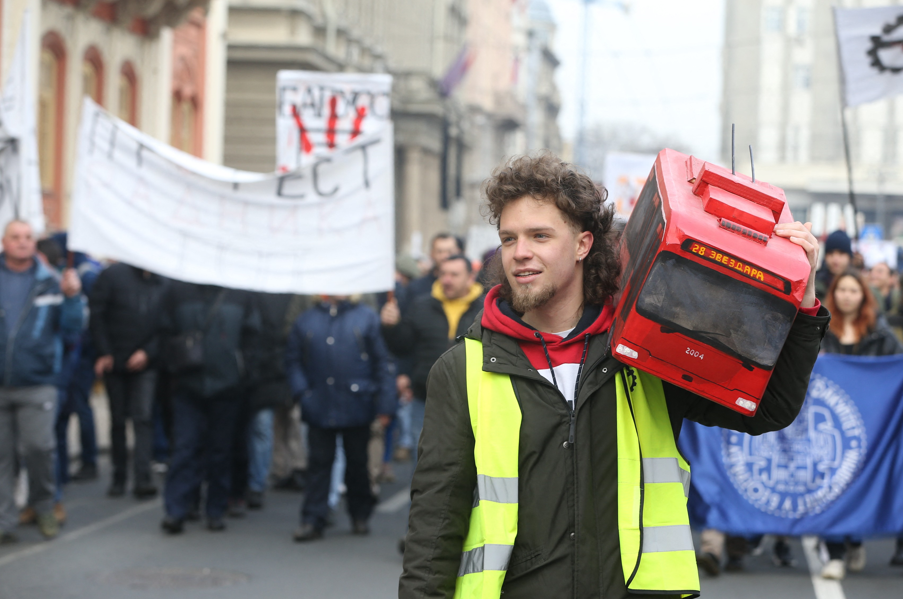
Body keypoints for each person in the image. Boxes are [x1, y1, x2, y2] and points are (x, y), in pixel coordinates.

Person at [398, 154, 828, 599]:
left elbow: (767, 411)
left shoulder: (644, 350)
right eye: (509, 239)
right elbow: (435, 525)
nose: (520, 252)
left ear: (583, 244)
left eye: (539, 236)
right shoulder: (462, 369)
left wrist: (805, 306)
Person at [0, 220, 85, 544]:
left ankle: (44, 506)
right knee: (3, 456)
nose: (22, 243)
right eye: (15, 238)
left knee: (39, 448)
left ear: (34, 244)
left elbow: (73, 328)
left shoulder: (51, 281)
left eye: (27, 238)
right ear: (4, 242)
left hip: (37, 381)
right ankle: (5, 520)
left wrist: (73, 298)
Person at [286, 295, 396, 541]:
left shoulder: (365, 317)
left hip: (357, 402)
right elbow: (293, 360)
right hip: (319, 402)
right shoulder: (307, 319)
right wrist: (303, 393)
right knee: (318, 463)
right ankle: (313, 518)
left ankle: (359, 514)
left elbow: (381, 362)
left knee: (357, 463)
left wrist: (385, 405)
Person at [818, 270, 903, 579]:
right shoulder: (823, 328)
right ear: (834, 294)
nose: (846, 295)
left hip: (871, 425)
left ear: (863, 296)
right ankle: (836, 554)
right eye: (842, 290)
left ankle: (854, 541)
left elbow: (897, 367)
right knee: (829, 486)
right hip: (833, 426)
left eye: (853, 290)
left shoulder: (880, 333)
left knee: (861, 485)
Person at [158, 283, 260, 534]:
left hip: (227, 387)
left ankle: (214, 508)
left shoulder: (241, 294)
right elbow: (163, 331)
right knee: (185, 447)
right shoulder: (177, 291)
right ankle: (177, 509)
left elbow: (253, 337)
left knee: (220, 450)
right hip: (189, 385)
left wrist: (244, 372)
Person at [380, 254, 485, 465]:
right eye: (443, 274)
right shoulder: (422, 305)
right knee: (425, 463)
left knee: (468, 463)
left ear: (470, 277)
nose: (446, 279)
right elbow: (402, 346)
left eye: (454, 274)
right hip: (425, 399)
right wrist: (391, 327)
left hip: (474, 400)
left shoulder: (487, 309)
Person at [90, 263, 169, 499]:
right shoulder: (112, 276)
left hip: (146, 363)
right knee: (118, 421)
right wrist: (105, 352)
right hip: (114, 360)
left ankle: (142, 477)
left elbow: (167, 325)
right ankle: (119, 476)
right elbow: (98, 315)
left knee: (142, 418)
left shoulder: (163, 282)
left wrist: (148, 352)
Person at [405, 233, 464, 301]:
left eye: (449, 252)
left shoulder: (469, 287)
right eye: (440, 252)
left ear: (458, 252)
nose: (445, 256)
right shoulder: (416, 288)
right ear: (431, 253)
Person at [814, 230, 852, 302]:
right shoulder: (814, 285)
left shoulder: (860, 285)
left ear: (849, 256)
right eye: (831, 253)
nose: (835, 260)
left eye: (841, 253)